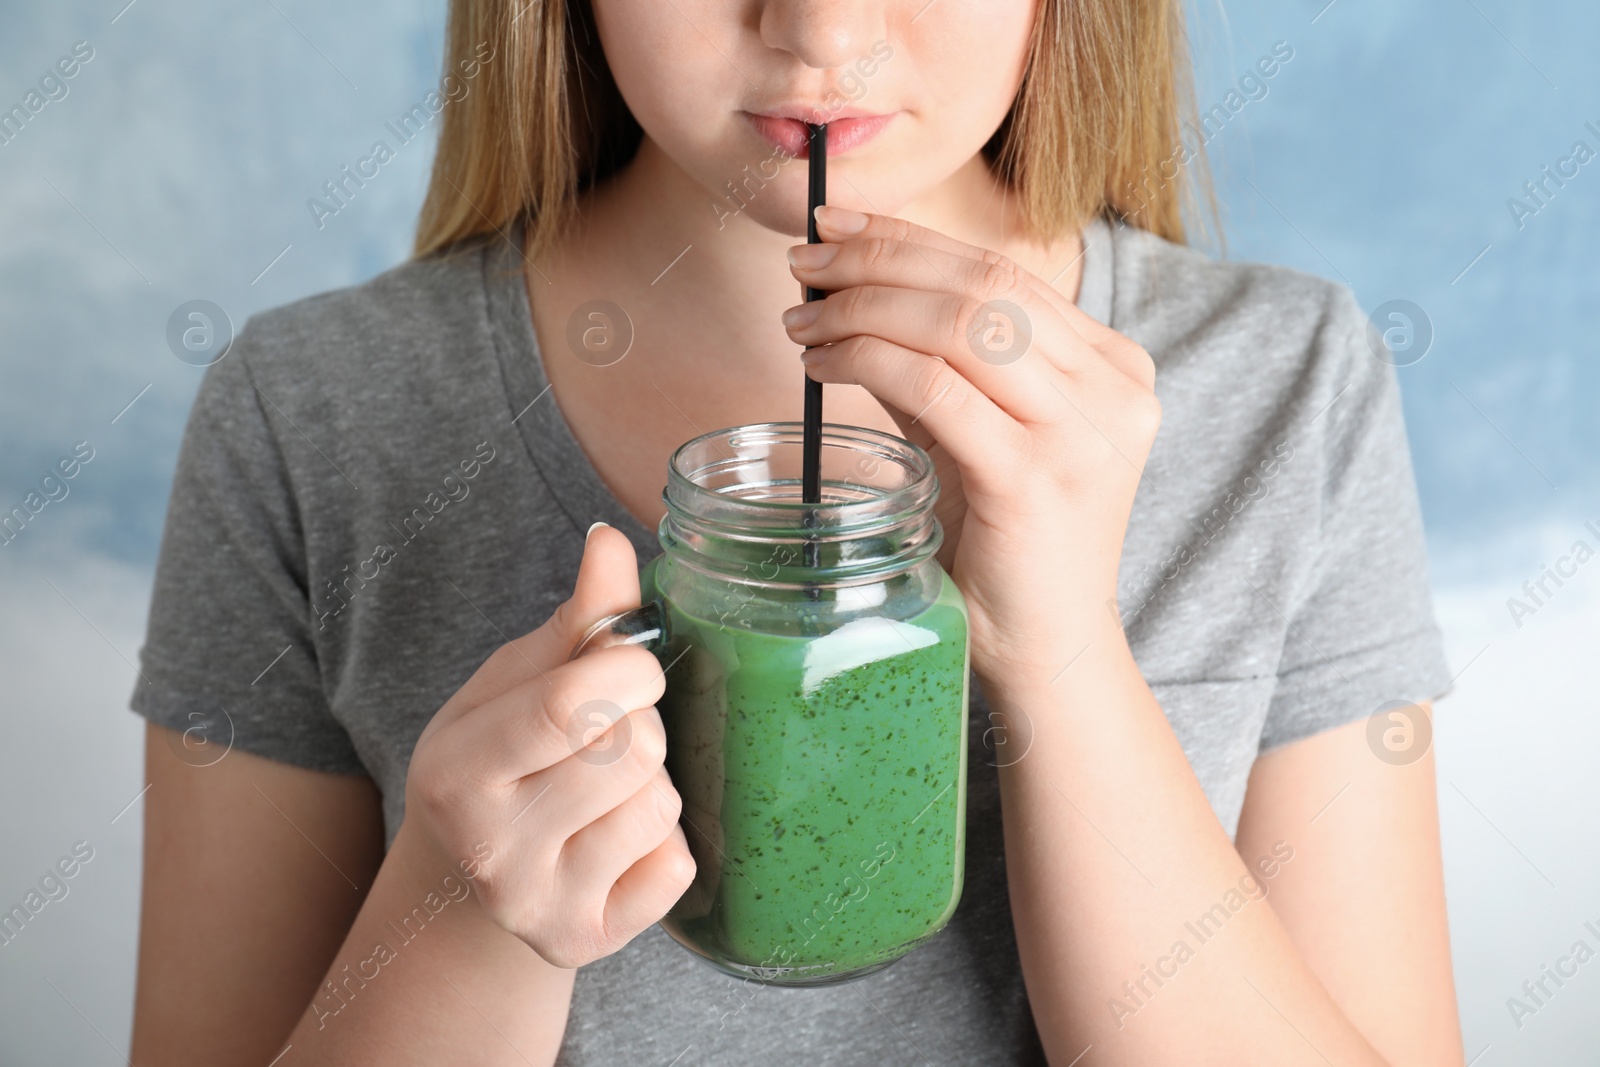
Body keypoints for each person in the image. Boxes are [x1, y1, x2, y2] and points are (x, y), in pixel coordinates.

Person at [127, 1, 1463, 1063]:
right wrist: (468, 916)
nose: (821, 31)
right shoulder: (309, 414)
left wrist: (1059, 651)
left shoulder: (1290, 381)